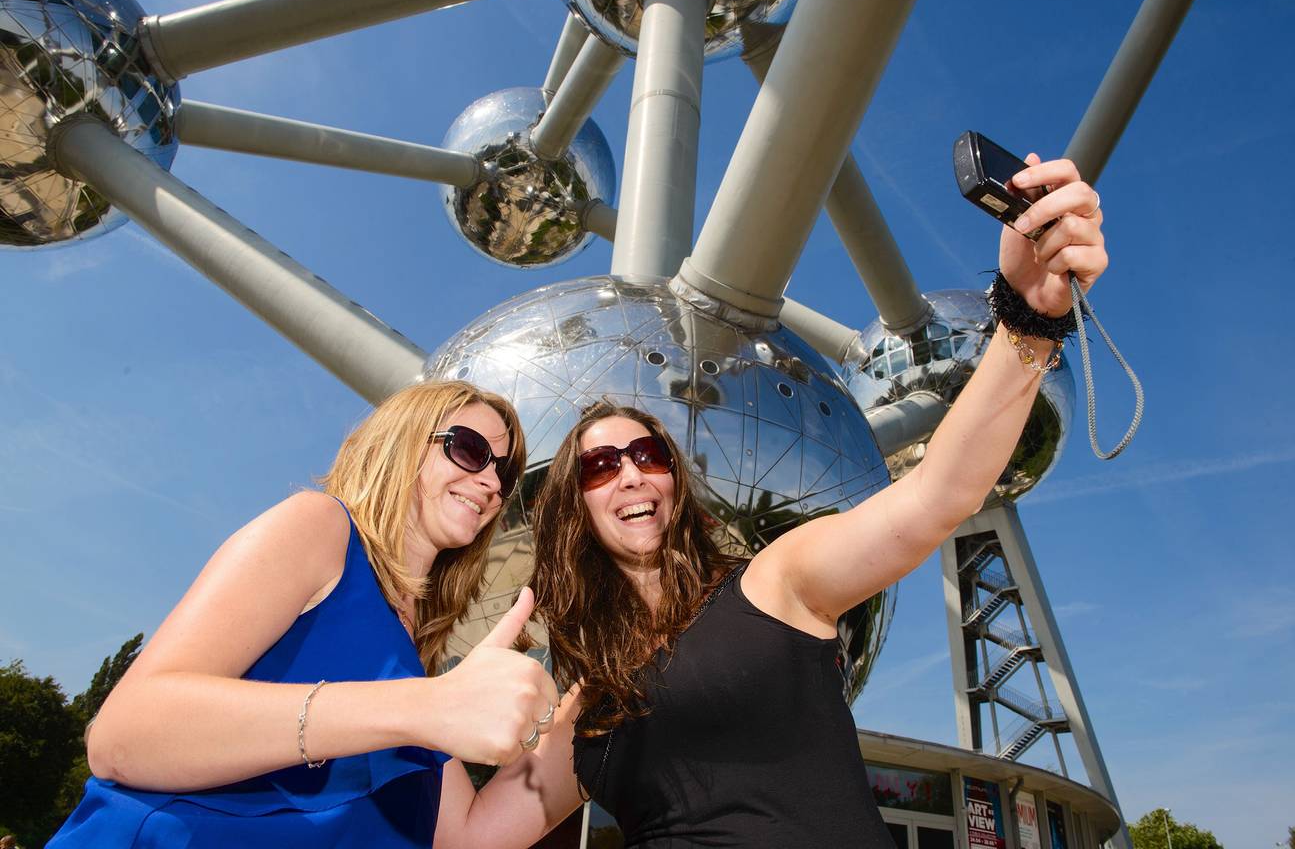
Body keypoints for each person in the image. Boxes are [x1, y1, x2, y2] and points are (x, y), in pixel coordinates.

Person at [431, 154, 1109, 848]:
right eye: (600, 465)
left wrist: (1027, 320)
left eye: (650, 454)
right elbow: (468, 838)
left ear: (673, 481)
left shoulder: (775, 583)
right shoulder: (591, 702)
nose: (631, 473)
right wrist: (428, 701)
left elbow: (937, 495)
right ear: (573, 505)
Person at [49, 380, 560, 847]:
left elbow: (461, 838)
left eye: (504, 470)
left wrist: (623, 677)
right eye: (471, 450)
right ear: (401, 444)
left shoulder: (416, 658)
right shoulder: (321, 528)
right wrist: (421, 707)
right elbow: (125, 734)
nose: (492, 483)